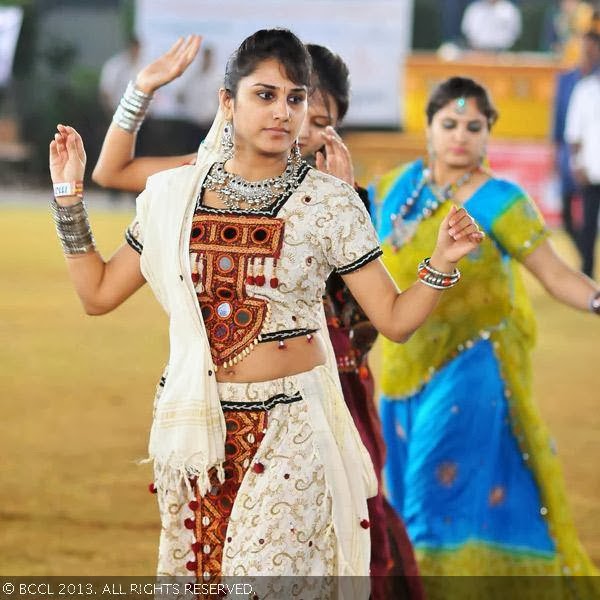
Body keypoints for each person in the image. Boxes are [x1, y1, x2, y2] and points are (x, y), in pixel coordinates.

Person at [48, 30, 483, 587]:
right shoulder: (175, 196)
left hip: (294, 428)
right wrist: (67, 197)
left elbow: (394, 320)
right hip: (199, 434)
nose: (283, 112)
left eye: (296, 99)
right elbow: (98, 293)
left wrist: (442, 261)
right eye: (265, 95)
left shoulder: (329, 201)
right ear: (227, 102)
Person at [372, 77, 600, 592]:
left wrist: (597, 298)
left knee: (434, 490)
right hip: (402, 365)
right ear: (428, 127)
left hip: (473, 363)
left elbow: (555, 273)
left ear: (488, 134)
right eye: (449, 124)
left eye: (474, 126)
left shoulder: (500, 199)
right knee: (401, 499)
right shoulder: (392, 189)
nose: (460, 136)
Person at [552, 30, 600, 248]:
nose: (588, 53)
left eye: (593, 49)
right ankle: (584, 253)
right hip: (568, 151)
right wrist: (556, 153)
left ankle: (587, 259)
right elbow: (558, 119)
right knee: (567, 212)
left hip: (593, 153)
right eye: (585, 48)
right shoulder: (567, 79)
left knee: (589, 213)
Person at [565, 36, 600, 278]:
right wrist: (577, 163)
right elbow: (574, 132)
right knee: (588, 225)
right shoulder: (585, 89)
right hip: (591, 169)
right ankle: (587, 274)